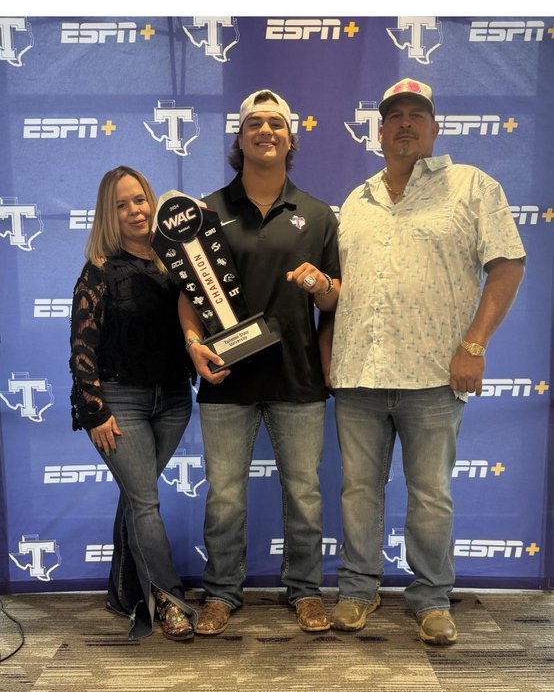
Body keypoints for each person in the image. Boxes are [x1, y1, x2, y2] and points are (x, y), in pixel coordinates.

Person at [329, 78, 526, 644]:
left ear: (435, 129)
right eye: (395, 117)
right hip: (359, 376)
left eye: (418, 115)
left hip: (435, 377)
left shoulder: (471, 187)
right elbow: (348, 289)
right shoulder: (356, 201)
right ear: (381, 130)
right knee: (358, 491)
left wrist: (473, 346)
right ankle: (358, 590)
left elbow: (508, 265)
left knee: (431, 495)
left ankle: (432, 599)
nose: (406, 124)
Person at [178, 89, 340, 634]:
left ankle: (305, 591)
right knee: (224, 496)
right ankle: (222, 593)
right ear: (240, 138)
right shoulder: (206, 212)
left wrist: (321, 285)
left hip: (299, 379)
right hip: (227, 379)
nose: (266, 131)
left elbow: (335, 298)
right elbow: (188, 293)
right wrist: (192, 342)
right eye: (255, 124)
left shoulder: (318, 215)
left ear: (290, 139)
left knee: (304, 494)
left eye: (276, 124)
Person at [70, 166, 196, 641]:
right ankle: (170, 600)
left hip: (174, 399)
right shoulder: (100, 268)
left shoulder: (175, 262)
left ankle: (123, 591)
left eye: (139, 199)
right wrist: (95, 408)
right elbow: (81, 344)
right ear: (110, 214)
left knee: (135, 496)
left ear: (153, 202)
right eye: (121, 205)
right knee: (145, 503)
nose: (134, 211)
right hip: (119, 400)